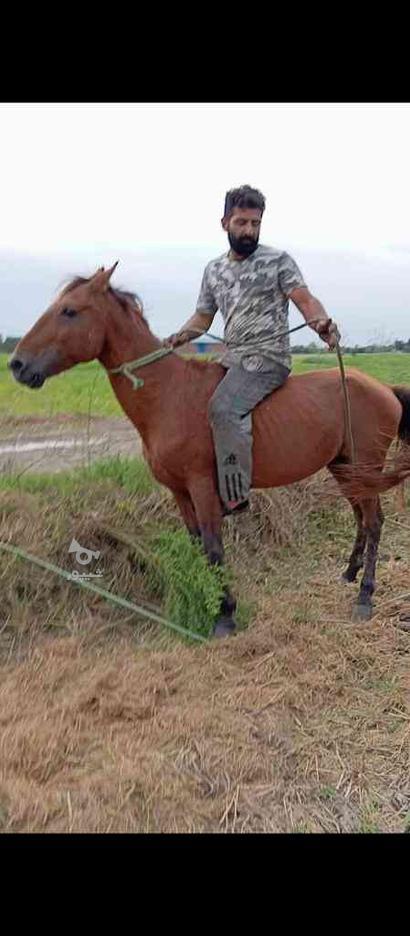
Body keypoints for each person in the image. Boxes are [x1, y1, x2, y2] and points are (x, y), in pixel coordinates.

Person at [163, 185, 339, 515]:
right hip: (232, 359)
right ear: (224, 222)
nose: (249, 231)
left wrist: (321, 324)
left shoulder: (278, 261)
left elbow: (304, 299)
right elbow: (203, 317)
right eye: (242, 222)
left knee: (224, 408)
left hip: (267, 359)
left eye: (255, 224)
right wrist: (177, 338)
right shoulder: (213, 271)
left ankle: (234, 494)